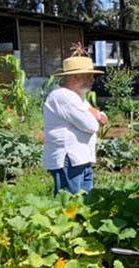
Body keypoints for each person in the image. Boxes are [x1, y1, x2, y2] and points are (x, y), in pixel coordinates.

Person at [42, 55, 108, 195]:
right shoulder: (63, 96)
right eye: (89, 76)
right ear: (76, 77)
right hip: (69, 158)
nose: (92, 80)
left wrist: (94, 114)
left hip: (79, 157)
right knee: (70, 201)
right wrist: (94, 115)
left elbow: (102, 117)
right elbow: (91, 125)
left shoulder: (76, 97)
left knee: (84, 201)